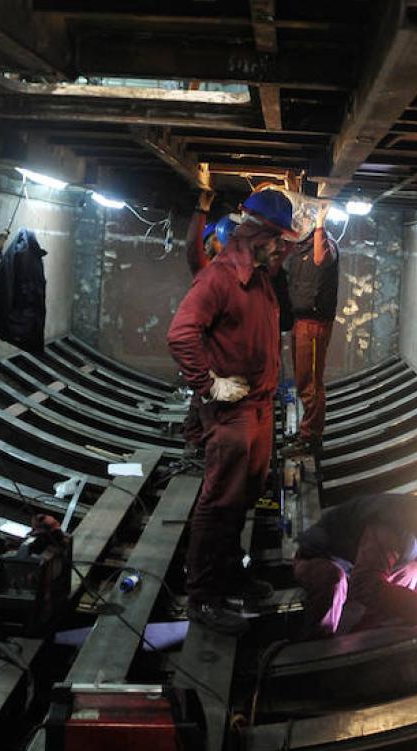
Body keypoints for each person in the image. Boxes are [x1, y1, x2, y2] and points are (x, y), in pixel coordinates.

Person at [167, 188, 298, 635]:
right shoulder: (220, 278)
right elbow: (181, 334)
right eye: (277, 239)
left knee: (246, 494)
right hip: (232, 410)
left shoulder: (259, 278)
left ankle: (228, 573)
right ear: (256, 235)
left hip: (259, 406)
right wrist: (209, 385)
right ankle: (203, 597)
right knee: (220, 500)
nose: (281, 248)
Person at [292, 492, 417, 640]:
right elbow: (365, 585)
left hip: (354, 563)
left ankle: (366, 633)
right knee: (333, 580)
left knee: (412, 570)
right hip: (318, 557)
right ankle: (317, 646)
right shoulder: (394, 527)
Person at [181, 190, 237, 460]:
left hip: (227, 346)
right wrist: (201, 211)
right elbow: (192, 248)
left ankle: (208, 441)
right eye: (215, 240)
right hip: (210, 345)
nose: (221, 243)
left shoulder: (236, 271)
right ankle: (196, 441)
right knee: (204, 394)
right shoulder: (207, 270)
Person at [282, 207, 340, 454]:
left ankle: (310, 438)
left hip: (314, 325)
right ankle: (307, 433)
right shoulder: (298, 249)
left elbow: (321, 259)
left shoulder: (326, 244)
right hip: (300, 322)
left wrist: (320, 225)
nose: (298, 222)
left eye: (302, 218)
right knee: (303, 379)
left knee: (310, 383)